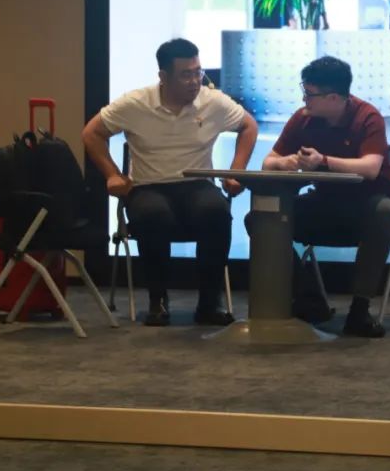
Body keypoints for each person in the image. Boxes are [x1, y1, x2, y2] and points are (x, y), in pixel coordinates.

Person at [82, 38, 258, 327]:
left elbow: (248, 125)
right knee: (153, 214)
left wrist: (236, 171)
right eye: (186, 75)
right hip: (148, 185)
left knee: (215, 211)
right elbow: (92, 133)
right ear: (163, 77)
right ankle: (158, 300)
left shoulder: (213, 101)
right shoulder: (135, 103)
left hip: (197, 183)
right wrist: (112, 174)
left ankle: (209, 303)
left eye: (198, 72)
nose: (195, 81)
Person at [255, 56, 390, 338]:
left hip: (366, 202)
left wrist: (323, 161)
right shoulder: (303, 118)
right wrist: (284, 163)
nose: (304, 99)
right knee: (260, 220)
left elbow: (370, 168)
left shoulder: (367, 117)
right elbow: (268, 162)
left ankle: (360, 309)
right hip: (325, 201)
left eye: (310, 94)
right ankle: (309, 298)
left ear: (333, 98)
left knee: (384, 211)